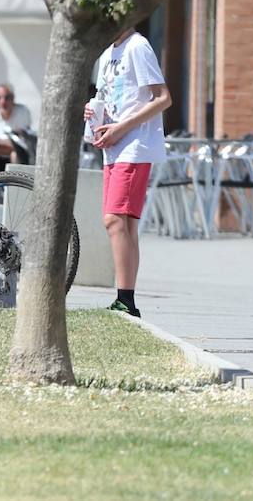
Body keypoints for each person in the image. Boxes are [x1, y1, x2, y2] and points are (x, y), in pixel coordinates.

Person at [84, 27, 171, 319]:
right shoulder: (108, 53)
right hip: (114, 146)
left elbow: (162, 98)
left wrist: (121, 127)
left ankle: (126, 300)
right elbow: (110, 98)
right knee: (125, 225)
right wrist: (95, 114)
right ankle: (127, 300)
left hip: (134, 145)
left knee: (114, 220)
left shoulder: (138, 46)